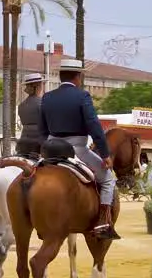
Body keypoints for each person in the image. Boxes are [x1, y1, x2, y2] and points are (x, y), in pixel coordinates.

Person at [37, 58, 119, 240]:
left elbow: (41, 130)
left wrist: (47, 149)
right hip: (77, 149)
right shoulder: (82, 96)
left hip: (51, 150)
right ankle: (103, 222)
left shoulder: (47, 97)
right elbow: (94, 126)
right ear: (78, 77)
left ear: (60, 76)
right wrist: (105, 154)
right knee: (108, 179)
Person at [16, 72, 45, 158]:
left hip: (24, 142)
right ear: (38, 87)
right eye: (41, 85)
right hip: (39, 143)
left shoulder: (21, 105)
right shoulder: (43, 102)